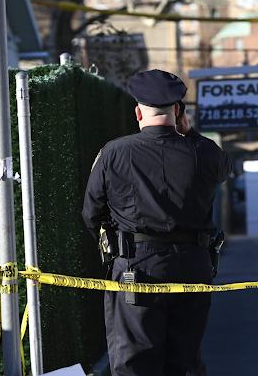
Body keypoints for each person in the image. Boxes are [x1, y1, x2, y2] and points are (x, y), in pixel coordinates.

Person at [82, 69, 232, 376]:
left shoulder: (113, 153)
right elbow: (225, 167)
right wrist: (191, 134)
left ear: (138, 112)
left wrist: (117, 247)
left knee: (134, 363)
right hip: (194, 266)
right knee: (186, 362)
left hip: (135, 268)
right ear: (178, 111)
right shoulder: (204, 152)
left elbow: (91, 214)